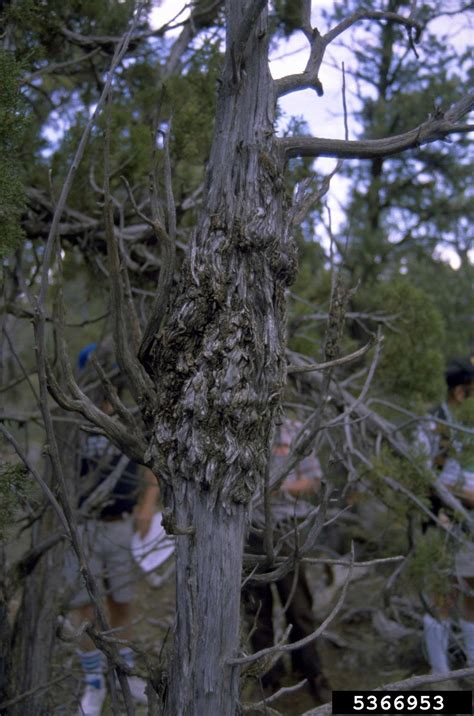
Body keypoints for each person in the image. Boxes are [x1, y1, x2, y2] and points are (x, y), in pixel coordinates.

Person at [64, 342, 160, 716]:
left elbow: (150, 464)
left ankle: (123, 668)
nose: (104, 381)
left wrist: (148, 505)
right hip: (84, 526)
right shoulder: (73, 417)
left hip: (121, 526)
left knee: (121, 600)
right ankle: (93, 681)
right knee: (84, 606)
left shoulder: (130, 416)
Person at [244, 418, 331, 704]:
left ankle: (311, 672)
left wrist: (279, 488)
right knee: (257, 611)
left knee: (299, 607)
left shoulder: (295, 429)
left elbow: (312, 480)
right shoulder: (242, 423)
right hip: (249, 531)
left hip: (286, 530)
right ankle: (268, 677)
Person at [416, 357, 474, 676]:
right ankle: (440, 676)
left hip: (470, 523)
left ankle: (470, 666)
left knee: (472, 591)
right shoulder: (434, 421)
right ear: (460, 391)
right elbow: (423, 474)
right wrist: (463, 496)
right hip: (447, 519)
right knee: (444, 590)